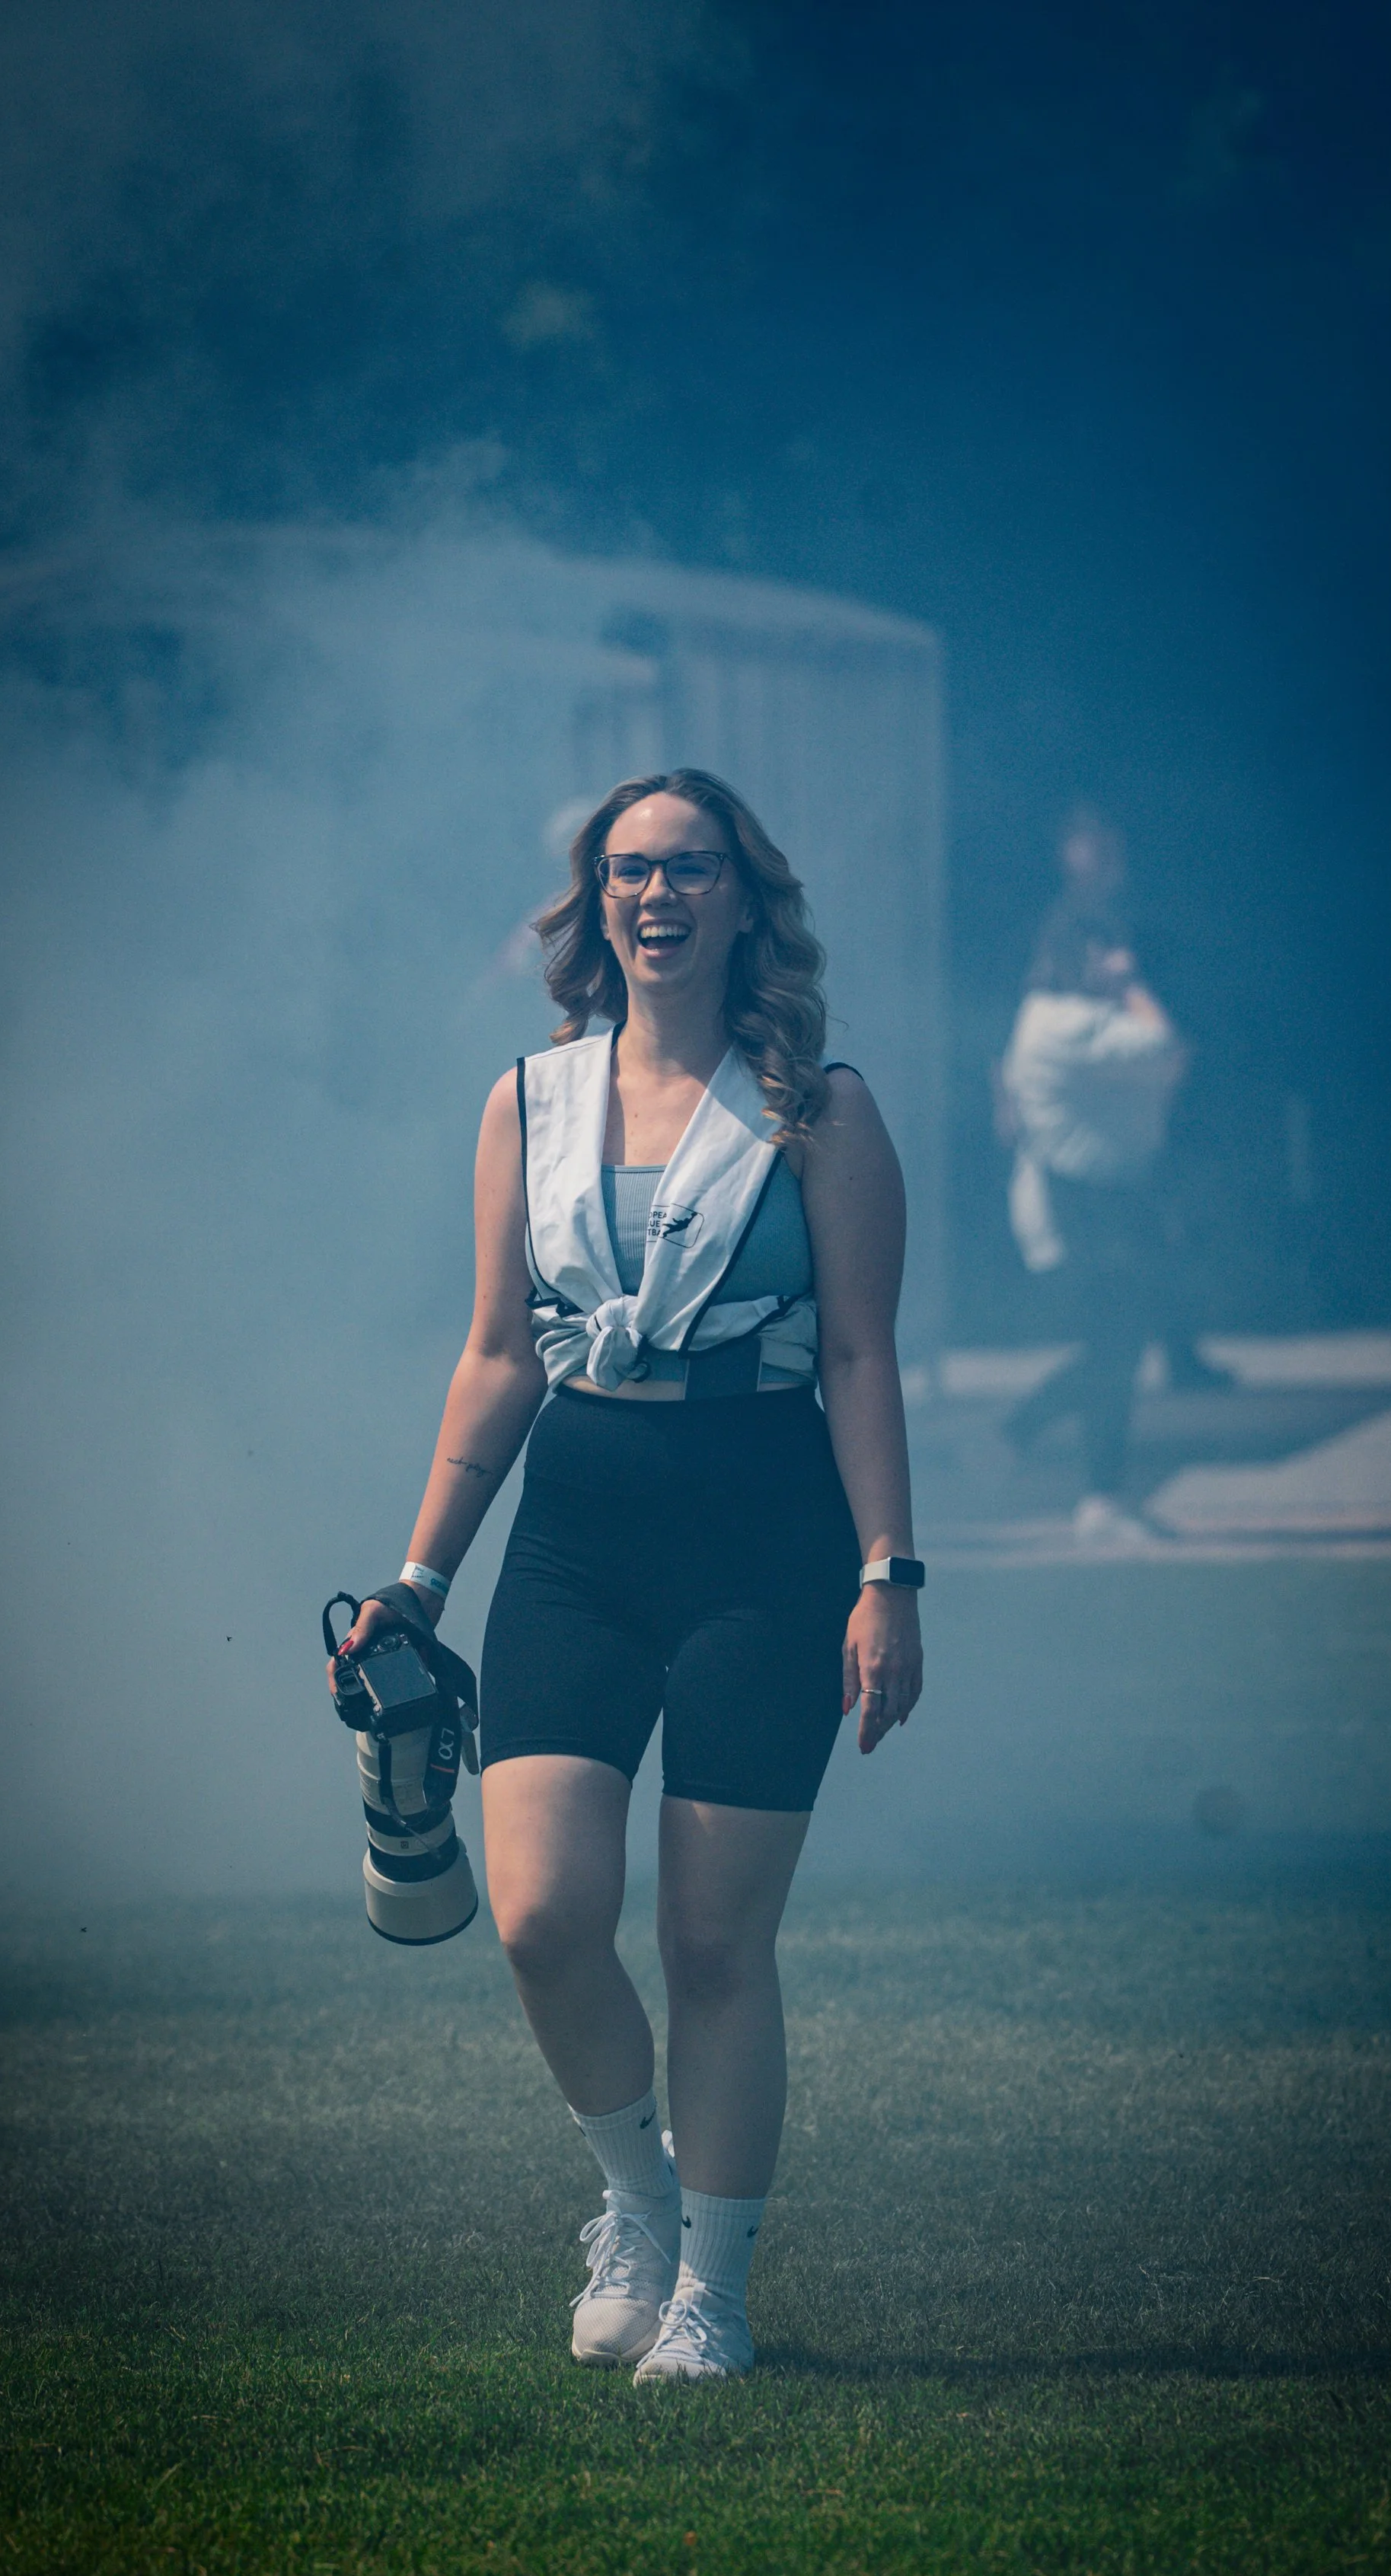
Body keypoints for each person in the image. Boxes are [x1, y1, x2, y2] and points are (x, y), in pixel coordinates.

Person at [330, 769, 923, 2382]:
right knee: (537, 1915)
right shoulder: (525, 1098)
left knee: (718, 1944)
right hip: (578, 1533)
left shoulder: (822, 1106)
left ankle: (711, 2303)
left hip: (762, 1530)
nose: (653, 896)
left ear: (745, 898)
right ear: (595, 905)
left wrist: (888, 1572)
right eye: (626, 872)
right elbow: (495, 1355)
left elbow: (862, 1358)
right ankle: (637, 2206)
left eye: (686, 869)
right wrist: (417, 1581)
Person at [994, 911, 1186, 1544]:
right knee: (1114, 1351)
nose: (1124, 962)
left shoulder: (1069, 1018)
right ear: (1078, 959)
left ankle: (1023, 1438)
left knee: (1115, 1350)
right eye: (1109, 952)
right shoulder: (1063, 1022)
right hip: (1081, 1211)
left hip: (1111, 1207)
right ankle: (1099, 1499)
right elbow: (1163, 1047)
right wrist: (1134, 990)